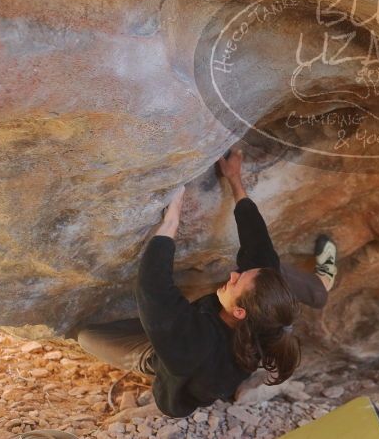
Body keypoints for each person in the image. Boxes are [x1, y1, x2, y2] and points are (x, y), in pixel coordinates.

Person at [77, 148, 338, 418]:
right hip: (209, 342)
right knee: (270, 265)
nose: (232, 275)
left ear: (240, 311)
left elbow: (154, 289)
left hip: (182, 371)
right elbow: (257, 238)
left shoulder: (192, 344)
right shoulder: (264, 322)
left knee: (87, 337)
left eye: (237, 281)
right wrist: (235, 179)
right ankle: (318, 288)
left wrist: (170, 223)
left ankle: (165, 361)